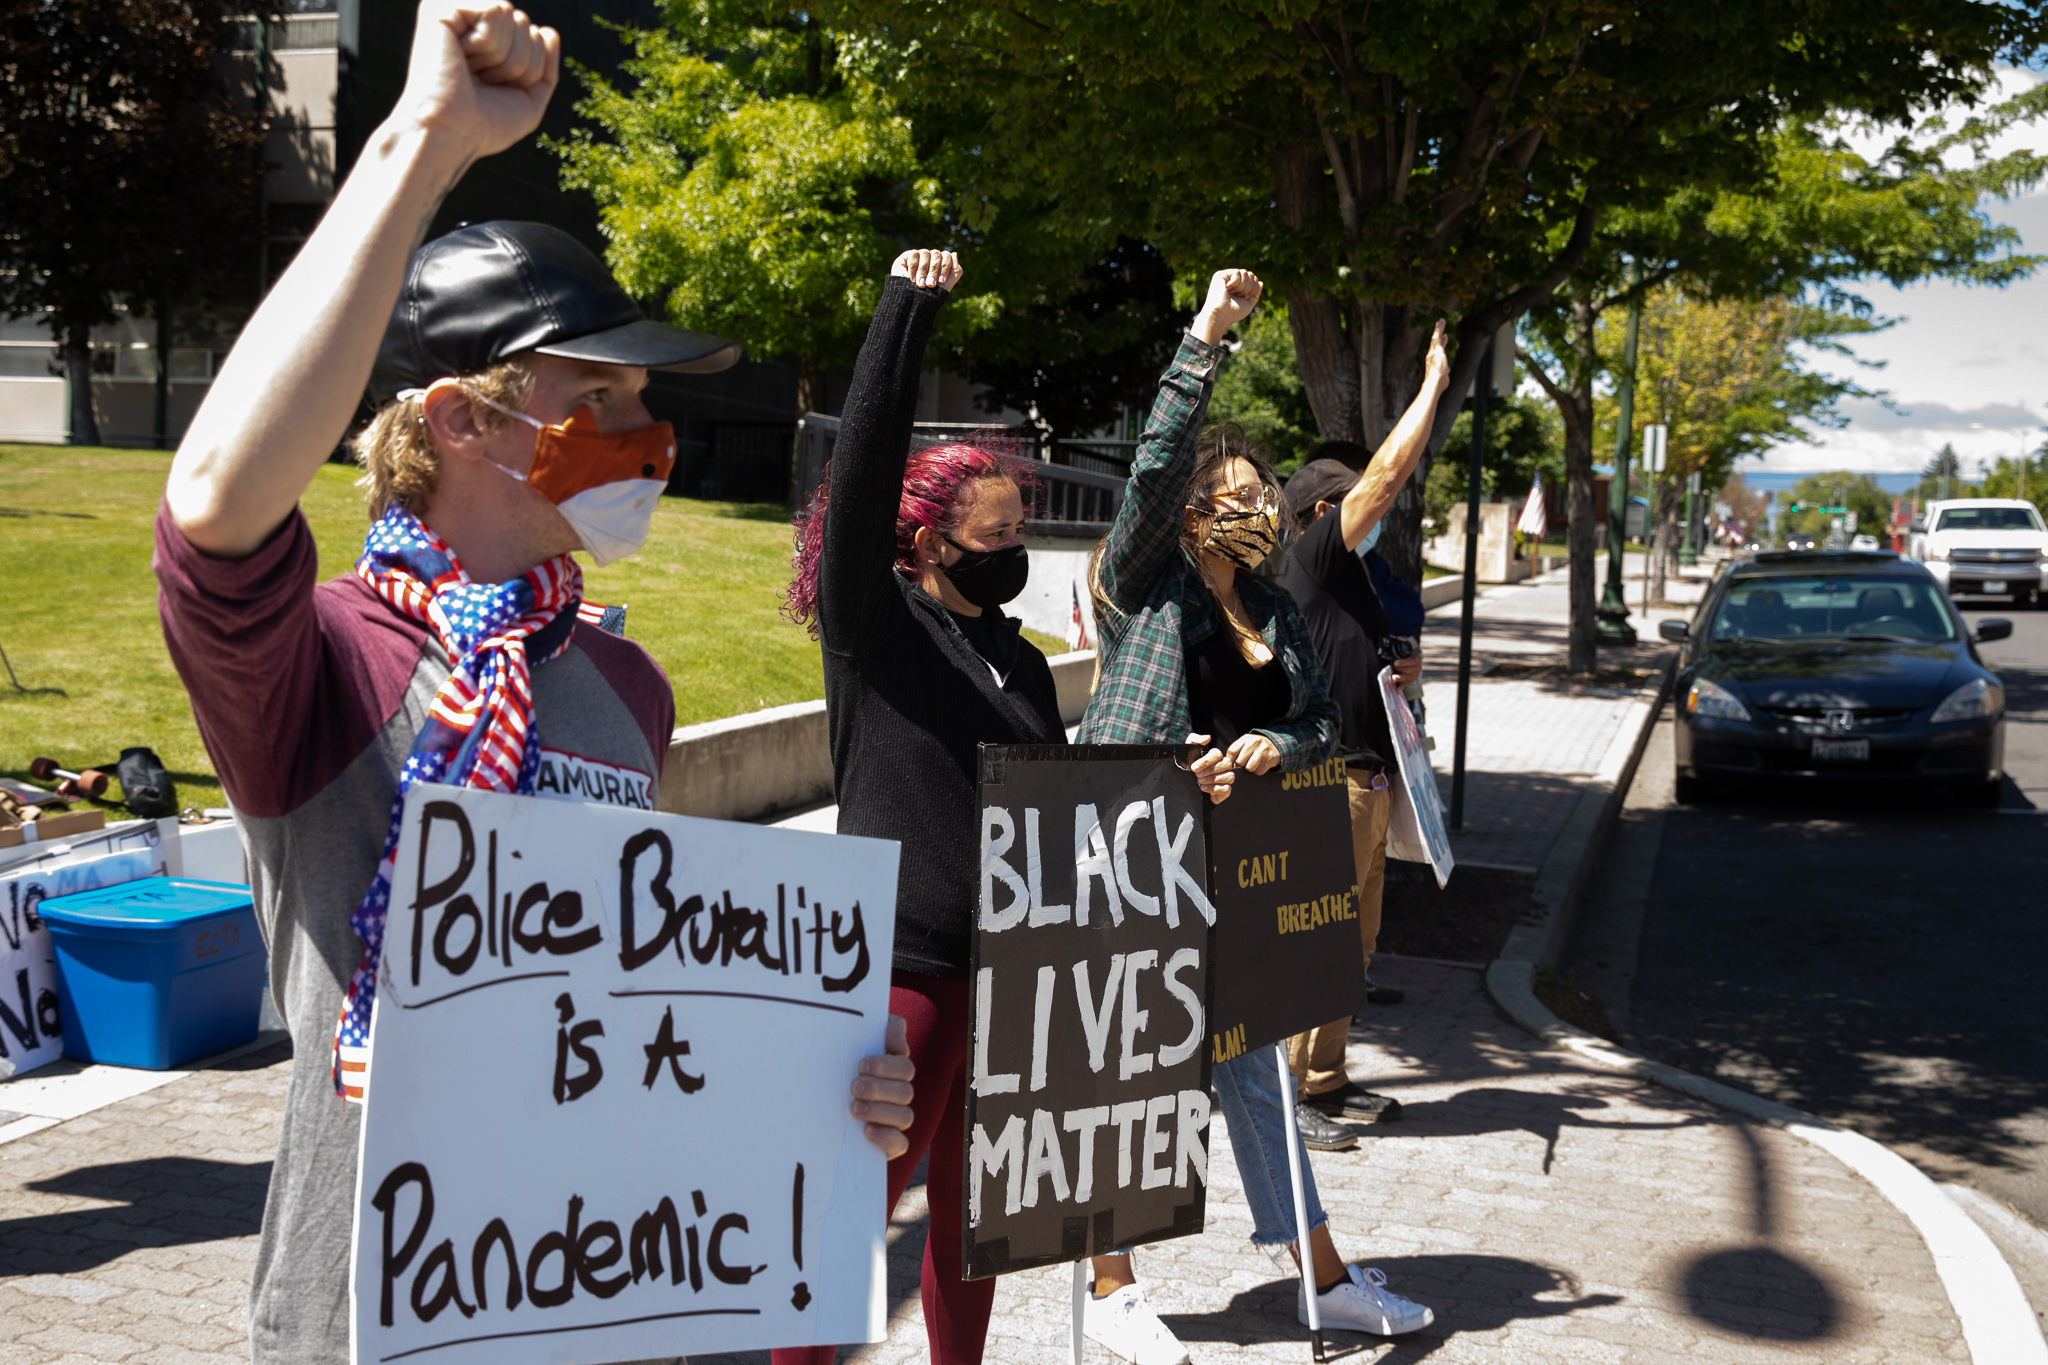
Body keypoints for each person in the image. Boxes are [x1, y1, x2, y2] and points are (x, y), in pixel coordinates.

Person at [155, 7, 914, 1361]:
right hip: (365, 1313)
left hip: (588, 1294)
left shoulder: (626, 684)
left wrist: (821, 1086)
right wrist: (423, 139)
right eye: (607, 400)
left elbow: (636, 1005)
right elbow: (213, 506)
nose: (651, 439)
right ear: (462, 420)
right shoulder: (322, 661)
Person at [1075, 269, 1434, 1362]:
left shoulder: (1273, 605)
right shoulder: (1146, 586)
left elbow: (1323, 721)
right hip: (1134, 861)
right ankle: (1110, 1288)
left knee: (1255, 1079)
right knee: (1123, 1071)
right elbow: (1146, 463)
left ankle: (1320, 1277)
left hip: (1230, 872)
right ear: (1187, 513)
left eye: (1261, 492)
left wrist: (1272, 745)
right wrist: (1206, 337)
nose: (1252, 505)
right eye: (1229, 493)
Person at [779, 247, 1067, 1365]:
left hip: (1013, 974)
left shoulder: (1026, 665)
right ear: (923, 540)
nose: (1013, 554)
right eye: (995, 538)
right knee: (844, 1217)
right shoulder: (878, 630)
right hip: (903, 973)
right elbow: (860, 469)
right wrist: (905, 314)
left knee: (974, 1230)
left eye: (1016, 534)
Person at [1274, 331, 1453, 1128]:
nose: (1373, 517)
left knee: (1356, 943)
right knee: (1316, 946)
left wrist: (1397, 666)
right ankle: (1287, 1094)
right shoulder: (1310, 557)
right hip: (1326, 782)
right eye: (1351, 507)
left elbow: (1361, 652)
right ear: (1321, 513)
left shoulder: (1348, 581)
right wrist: (1433, 387)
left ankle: (1325, 1078)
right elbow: (1382, 482)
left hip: (1372, 779)